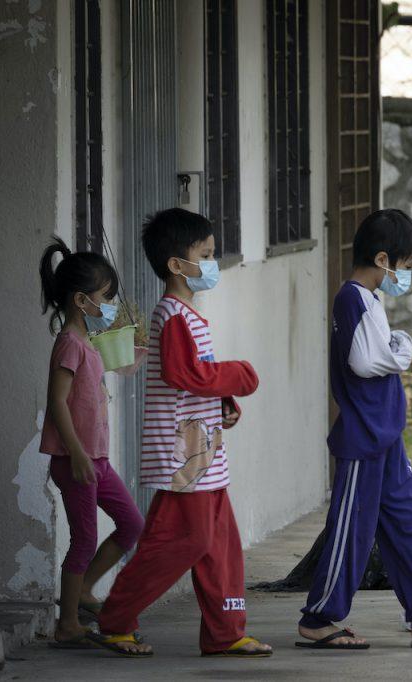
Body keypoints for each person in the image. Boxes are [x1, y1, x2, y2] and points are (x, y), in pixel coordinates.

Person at [296, 209, 412, 650]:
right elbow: (365, 361)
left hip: (385, 436)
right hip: (364, 438)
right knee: (352, 531)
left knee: (410, 524)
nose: (406, 276)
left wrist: (394, 345)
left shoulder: (370, 300)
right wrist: (401, 349)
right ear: (384, 259)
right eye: (406, 266)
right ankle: (319, 618)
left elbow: (376, 351)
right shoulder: (353, 298)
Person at [90, 208, 270, 657]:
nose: (212, 263)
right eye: (205, 255)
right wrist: (240, 375)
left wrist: (224, 404)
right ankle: (115, 621)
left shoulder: (186, 315)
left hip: (202, 454)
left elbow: (195, 381)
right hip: (183, 457)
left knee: (218, 544)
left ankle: (226, 632)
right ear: (177, 265)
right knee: (184, 542)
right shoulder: (172, 316)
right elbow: (185, 373)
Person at [37, 238, 145, 650]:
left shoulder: (87, 342)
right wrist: (78, 454)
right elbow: (57, 402)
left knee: (132, 523)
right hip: (76, 459)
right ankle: (67, 623)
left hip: (95, 459)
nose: (112, 305)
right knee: (83, 538)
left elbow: (110, 367)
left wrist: (136, 353)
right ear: (82, 301)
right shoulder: (68, 343)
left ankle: (82, 592)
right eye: (107, 298)